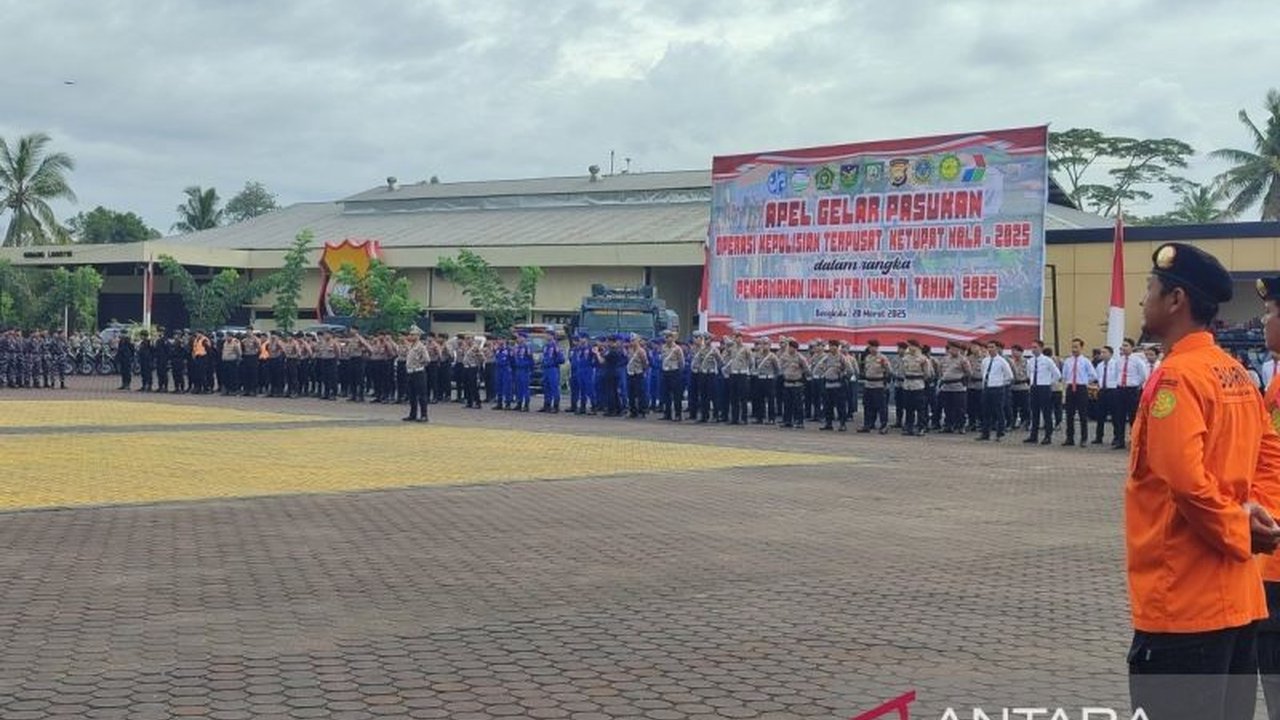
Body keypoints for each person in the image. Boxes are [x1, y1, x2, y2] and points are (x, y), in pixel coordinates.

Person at [1126, 243, 1280, 720]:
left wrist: (1240, 526)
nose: (1142, 300)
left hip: (1184, 602)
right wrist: (1257, 514)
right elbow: (1268, 459)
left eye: (1150, 289)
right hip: (1238, 602)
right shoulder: (1236, 372)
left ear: (1176, 301)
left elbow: (1187, 482)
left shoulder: (1177, 378)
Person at [1060, 338, 1096, 447]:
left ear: (1081, 347)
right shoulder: (1068, 361)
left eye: (1076, 347)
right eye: (1073, 347)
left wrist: (1085, 381)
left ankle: (1084, 438)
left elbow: (1093, 375)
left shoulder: (1085, 361)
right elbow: (1064, 375)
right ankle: (1069, 438)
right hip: (1071, 388)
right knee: (1069, 414)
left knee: (1082, 415)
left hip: (1081, 388)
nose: (1074, 349)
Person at [1025, 340, 1061, 445]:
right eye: (1032, 347)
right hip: (1034, 387)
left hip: (1044, 388)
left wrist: (1049, 382)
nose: (1033, 349)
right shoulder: (1030, 361)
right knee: (1034, 412)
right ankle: (1033, 435)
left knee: (1046, 413)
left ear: (1041, 348)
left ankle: (1047, 436)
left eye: (1035, 347)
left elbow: (1057, 374)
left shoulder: (1047, 360)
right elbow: (1029, 373)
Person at [976, 340, 1012, 441]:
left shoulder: (1002, 361)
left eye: (992, 347)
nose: (990, 349)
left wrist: (999, 383)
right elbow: (983, 373)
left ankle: (1000, 433)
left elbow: (1009, 376)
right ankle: (985, 433)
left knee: (998, 411)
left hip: (998, 388)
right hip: (987, 388)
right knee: (986, 411)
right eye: (989, 347)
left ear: (997, 348)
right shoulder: (985, 360)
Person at [858, 340, 891, 433]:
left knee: (881, 407)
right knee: (868, 406)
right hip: (868, 384)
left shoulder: (882, 358)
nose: (870, 348)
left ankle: (884, 425)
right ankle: (867, 424)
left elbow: (889, 371)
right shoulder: (868, 357)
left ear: (876, 347)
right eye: (869, 347)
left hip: (878, 384)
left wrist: (885, 380)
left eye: (872, 347)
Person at [402, 328, 429, 422]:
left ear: (418, 336)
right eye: (410, 334)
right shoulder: (411, 346)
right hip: (410, 372)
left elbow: (427, 359)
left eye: (413, 335)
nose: (410, 336)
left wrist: (418, 363)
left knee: (421, 395)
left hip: (418, 372)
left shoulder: (421, 347)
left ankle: (424, 415)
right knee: (412, 395)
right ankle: (412, 414)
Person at [659, 331, 685, 421]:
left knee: (676, 395)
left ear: (673, 338)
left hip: (675, 372)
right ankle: (667, 414)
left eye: (669, 337)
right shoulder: (663, 348)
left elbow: (681, 362)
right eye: (666, 337)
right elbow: (662, 359)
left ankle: (678, 414)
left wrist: (679, 372)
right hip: (666, 372)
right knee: (666, 394)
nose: (667, 339)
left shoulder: (677, 348)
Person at [539, 333, 565, 413]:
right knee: (546, 387)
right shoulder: (546, 346)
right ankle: (547, 405)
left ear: (552, 336)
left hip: (553, 369)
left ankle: (556, 406)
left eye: (548, 335)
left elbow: (561, 359)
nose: (546, 336)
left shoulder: (556, 346)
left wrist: (553, 362)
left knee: (554, 387)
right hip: (546, 369)